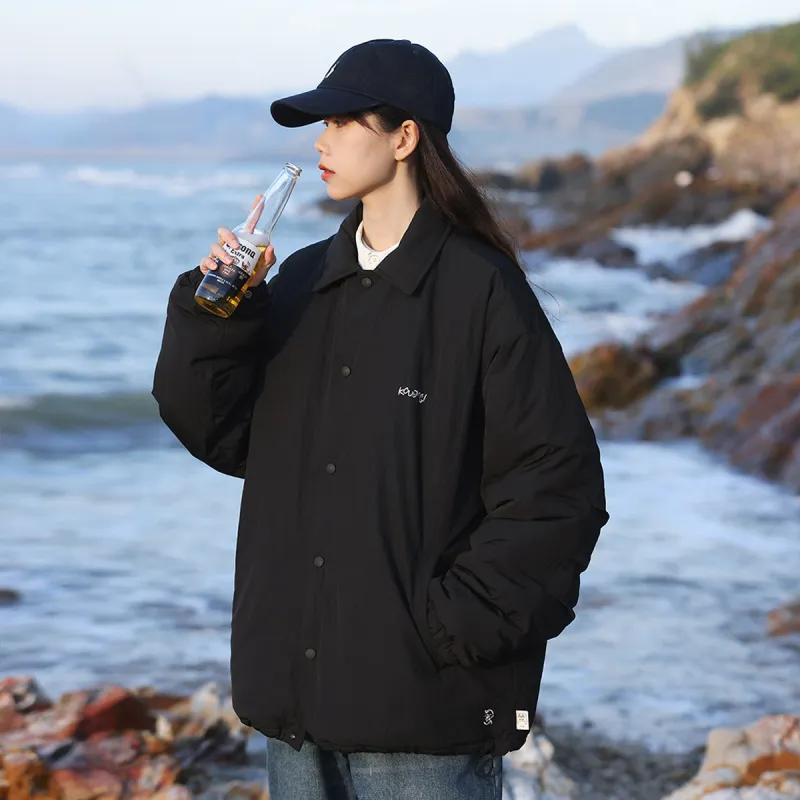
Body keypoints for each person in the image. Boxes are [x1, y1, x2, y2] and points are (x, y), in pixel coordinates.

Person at [152, 38, 609, 800]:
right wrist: (218, 314)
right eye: (320, 125)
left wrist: (451, 629)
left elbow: (557, 489)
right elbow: (221, 434)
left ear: (405, 138)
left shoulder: (481, 292)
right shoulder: (301, 282)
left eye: (341, 122)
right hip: (296, 710)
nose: (321, 142)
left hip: (424, 717)